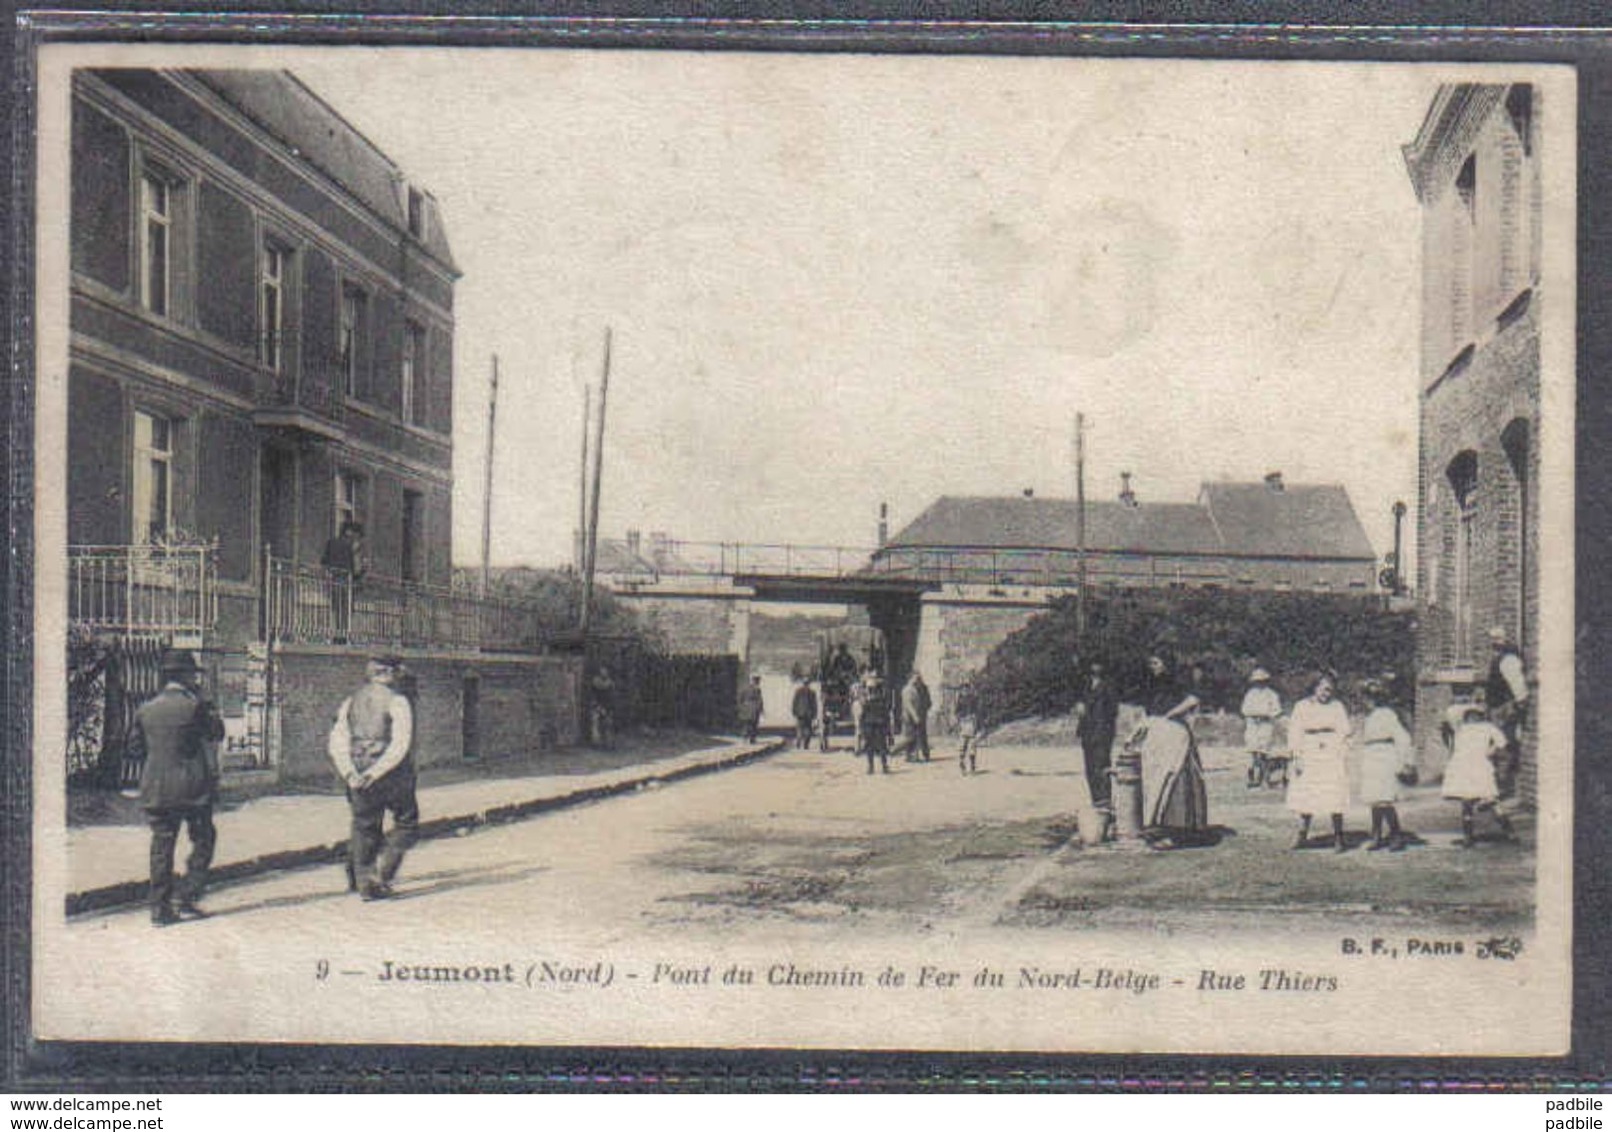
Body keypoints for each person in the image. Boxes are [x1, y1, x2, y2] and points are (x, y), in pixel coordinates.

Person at [131, 648, 224, 926]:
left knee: (161, 846)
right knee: (205, 838)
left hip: (157, 788)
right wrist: (206, 703)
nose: (194, 679)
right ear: (185, 677)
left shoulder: (145, 709)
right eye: (192, 675)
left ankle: (159, 911)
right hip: (193, 789)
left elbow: (134, 749)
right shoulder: (195, 706)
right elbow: (216, 732)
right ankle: (186, 894)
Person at [329, 655, 418, 900]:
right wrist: (374, 773)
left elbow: (337, 740)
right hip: (392, 774)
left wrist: (350, 772)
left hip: (357, 770)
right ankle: (380, 874)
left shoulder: (350, 701)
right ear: (390, 674)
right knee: (407, 824)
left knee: (364, 826)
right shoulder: (398, 702)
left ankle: (361, 881)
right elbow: (400, 744)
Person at [1126, 653, 1208, 848]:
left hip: (1174, 733)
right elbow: (1147, 712)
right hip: (1156, 736)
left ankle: (1176, 832)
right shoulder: (1151, 683)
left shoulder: (1178, 680)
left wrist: (1172, 713)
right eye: (1151, 662)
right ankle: (1156, 828)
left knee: (1174, 778)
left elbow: (1194, 699)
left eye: (1156, 662)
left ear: (1166, 663)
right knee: (1153, 781)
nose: (1153, 666)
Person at [1286, 672, 1353, 852]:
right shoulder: (1301, 706)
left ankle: (1339, 836)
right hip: (1309, 751)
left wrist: (1341, 752)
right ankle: (1302, 834)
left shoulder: (1337, 707)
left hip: (1331, 752)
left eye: (1330, 690)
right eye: (1323, 689)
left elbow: (1345, 732)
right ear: (1314, 687)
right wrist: (1297, 756)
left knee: (1334, 793)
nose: (1326, 693)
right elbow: (1294, 732)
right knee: (1307, 794)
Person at [1441, 702, 1518, 847]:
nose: (1472, 717)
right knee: (1469, 801)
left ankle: (1509, 832)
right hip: (1465, 766)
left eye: (1474, 715)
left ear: (1480, 716)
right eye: (1469, 714)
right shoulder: (1462, 728)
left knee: (1489, 799)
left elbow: (1502, 743)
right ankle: (1469, 836)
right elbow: (1502, 743)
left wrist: (1490, 750)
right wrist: (1491, 749)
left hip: (1476, 766)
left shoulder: (1483, 728)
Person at [1357, 679, 1416, 852]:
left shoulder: (1387, 714)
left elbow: (1403, 738)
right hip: (1371, 757)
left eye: (1367, 698)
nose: (1365, 702)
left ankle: (1396, 835)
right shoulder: (1370, 716)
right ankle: (1376, 836)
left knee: (1384, 800)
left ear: (1375, 698)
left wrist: (1406, 761)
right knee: (1374, 800)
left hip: (1385, 757)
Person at [1485, 627, 1529, 799]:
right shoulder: (1500, 658)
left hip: (1504, 706)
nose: (1494, 642)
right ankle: (1500, 784)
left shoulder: (1508, 659)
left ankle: (1504, 786)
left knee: (1503, 745)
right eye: (1493, 639)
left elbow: (1517, 684)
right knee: (1499, 744)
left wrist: (1520, 702)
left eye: (1498, 639)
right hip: (1498, 706)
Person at [1075, 659, 1120, 812]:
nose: (1095, 666)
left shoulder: (1109, 685)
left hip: (1102, 732)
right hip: (1087, 731)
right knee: (1089, 768)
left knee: (1101, 766)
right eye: (1093, 664)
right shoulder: (1086, 684)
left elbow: (1113, 711)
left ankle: (1105, 802)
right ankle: (1096, 801)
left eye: (1098, 663)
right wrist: (1080, 706)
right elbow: (1080, 702)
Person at [320, 520, 366, 643]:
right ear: (349, 532)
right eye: (356, 536)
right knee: (345, 610)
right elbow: (355, 571)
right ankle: (343, 636)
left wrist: (328, 575)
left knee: (336, 608)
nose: (356, 539)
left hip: (333, 581)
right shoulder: (350, 547)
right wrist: (364, 568)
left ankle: (335, 635)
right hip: (346, 582)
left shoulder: (331, 543)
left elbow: (324, 563)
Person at [1240, 667, 1284, 788]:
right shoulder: (1250, 694)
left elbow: (1277, 710)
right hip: (1253, 725)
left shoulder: (1272, 694)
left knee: (1263, 752)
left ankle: (1264, 778)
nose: (1259, 683)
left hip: (1266, 725)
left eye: (1262, 680)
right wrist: (1254, 714)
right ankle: (1253, 779)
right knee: (1253, 752)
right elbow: (1244, 710)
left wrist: (1266, 715)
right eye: (1257, 681)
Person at [892, 671, 932, 762]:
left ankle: (920, 755)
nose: (918, 680)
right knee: (910, 738)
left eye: (919, 678)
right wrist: (915, 716)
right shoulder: (907, 690)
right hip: (909, 718)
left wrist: (924, 710)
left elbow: (927, 701)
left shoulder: (921, 688)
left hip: (920, 716)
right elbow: (908, 705)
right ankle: (895, 750)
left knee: (920, 736)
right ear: (910, 678)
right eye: (916, 678)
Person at [860, 670, 892, 775]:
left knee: (871, 747)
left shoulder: (867, 701)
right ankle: (883, 766)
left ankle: (871, 767)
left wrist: (862, 729)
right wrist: (889, 732)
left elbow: (862, 716)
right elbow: (886, 716)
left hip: (871, 725)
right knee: (881, 747)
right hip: (879, 725)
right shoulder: (882, 701)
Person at [955, 682, 983, 775]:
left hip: (972, 724)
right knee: (962, 746)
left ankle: (972, 766)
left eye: (967, 689)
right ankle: (962, 764)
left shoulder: (973, 699)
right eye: (963, 690)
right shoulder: (960, 700)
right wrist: (959, 720)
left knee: (972, 746)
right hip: (963, 724)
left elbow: (977, 712)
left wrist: (975, 719)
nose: (965, 691)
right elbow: (957, 712)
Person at [588, 665, 617, 748]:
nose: (604, 671)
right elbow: (593, 696)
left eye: (605, 670)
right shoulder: (595, 682)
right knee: (595, 724)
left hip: (607, 706)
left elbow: (611, 697)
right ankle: (596, 743)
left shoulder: (610, 683)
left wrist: (609, 708)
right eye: (602, 670)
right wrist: (598, 706)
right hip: (597, 706)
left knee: (608, 724)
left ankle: (608, 743)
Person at [790, 676, 818, 750]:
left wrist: (794, 711)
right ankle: (805, 744)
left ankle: (800, 742)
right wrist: (815, 713)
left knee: (800, 728)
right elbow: (814, 704)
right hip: (808, 713)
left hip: (800, 713)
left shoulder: (798, 691)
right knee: (807, 729)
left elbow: (795, 702)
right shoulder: (812, 692)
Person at [737, 674, 764, 743]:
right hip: (753, 709)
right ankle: (751, 739)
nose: (757, 683)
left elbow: (740, 699)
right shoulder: (757, 689)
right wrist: (761, 709)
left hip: (747, 709)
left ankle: (745, 738)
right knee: (753, 724)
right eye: (757, 681)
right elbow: (760, 700)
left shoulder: (745, 688)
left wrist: (742, 706)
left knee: (747, 724)